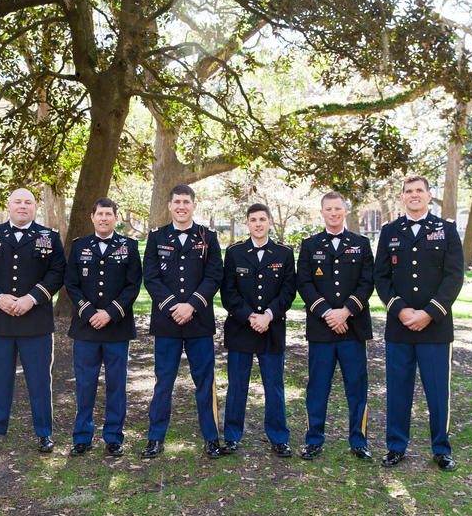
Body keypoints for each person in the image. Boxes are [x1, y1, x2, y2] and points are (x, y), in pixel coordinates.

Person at [373, 175, 464, 471]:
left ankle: (441, 449)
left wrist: (429, 312)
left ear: (429, 195)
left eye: (419, 191)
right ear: (402, 197)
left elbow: (454, 276)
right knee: (398, 390)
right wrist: (400, 310)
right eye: (409, 191)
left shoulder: (446, 229)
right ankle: (396, 446)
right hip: (399, 326)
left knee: (438, 392)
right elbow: (381, 277)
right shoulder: (389, 231)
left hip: (435, 326)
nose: (414, 195)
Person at [0, 188, 67, 454]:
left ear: (35, 207)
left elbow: (58, 272)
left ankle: (44, 433)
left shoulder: (49, 237)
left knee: (39, 380)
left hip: (35, 320)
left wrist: (32, 298)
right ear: (9, 206)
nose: (22, 206)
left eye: (28, 202)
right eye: (17, 202)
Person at [141, 184, 224, 459]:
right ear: (169, 205)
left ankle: (212, 438)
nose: (181, 206)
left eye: (186, 202)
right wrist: (174, 307)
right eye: (176, 201)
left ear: (194, 206)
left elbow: (214, 276)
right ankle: (155, 438)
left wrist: (192, 306)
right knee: (163, 382)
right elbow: (151, 277)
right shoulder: (156, 237)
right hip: (167, 322)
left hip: (199, 322)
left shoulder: (208, 237)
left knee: (205, 381)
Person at [296, 192, 375, 461]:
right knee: (318, 387)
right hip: (321, 328)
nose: (333, 213)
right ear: (322, 213)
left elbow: (367, 282)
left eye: (337, 209)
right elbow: (304, 283)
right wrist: (328, 313)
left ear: (345, 211)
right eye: (328, 209)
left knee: (357, 386)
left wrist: (346, 312)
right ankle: (313, 439)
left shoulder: (361, 243)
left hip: (354, 328)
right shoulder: (309, 245)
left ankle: (359, 440)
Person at [63, 198, 142, 457]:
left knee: (116, 384)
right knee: (85, 383)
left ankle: (113, 437)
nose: (104, 218)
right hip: (86, 328)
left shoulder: (128, 246)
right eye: (100, 214)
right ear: (92, 217)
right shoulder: (79, 246)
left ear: (115, 218)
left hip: (116, 327)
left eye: (109, 214)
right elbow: (71, 284)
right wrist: (89, 312)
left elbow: (133, 285)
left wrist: (109, 313)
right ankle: (82, 437)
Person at [219, 203, 296, 458]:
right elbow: (228, 293)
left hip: (272, 329)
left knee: (274, 385)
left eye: (262, 219)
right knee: (237, 385)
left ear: (270, 222)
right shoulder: (235, 252)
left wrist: (269, 316)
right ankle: (231, 436)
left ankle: (278, 437)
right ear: (247, 223)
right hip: (242, 328)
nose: (258, 224)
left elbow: (288, 291)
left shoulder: (284, 253)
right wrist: (251, 316)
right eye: (253, 220)